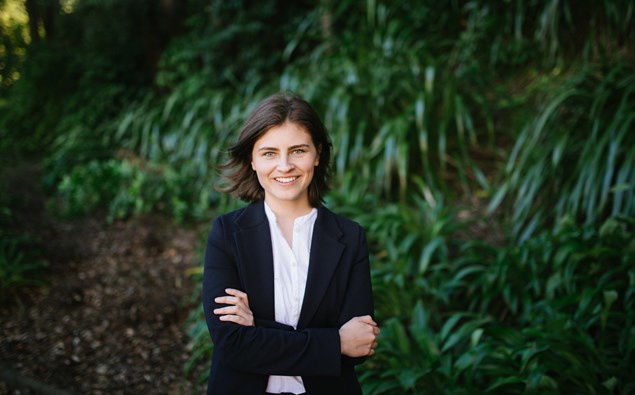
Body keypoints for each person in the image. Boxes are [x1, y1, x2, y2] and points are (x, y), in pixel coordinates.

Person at [202, 92, 379, 395]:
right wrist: (334, 342)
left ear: (318, 154)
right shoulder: (226, 233)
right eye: (269, 153)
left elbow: (359, 345)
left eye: (298, 151)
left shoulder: (349, 237)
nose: (284, 166)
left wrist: (257, 328)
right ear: (253, 160)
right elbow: (232, 344)